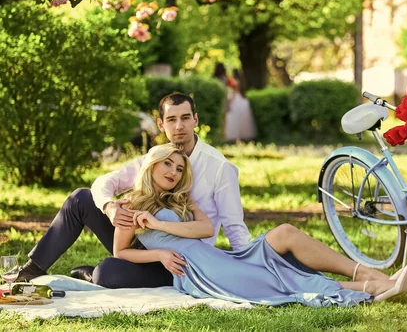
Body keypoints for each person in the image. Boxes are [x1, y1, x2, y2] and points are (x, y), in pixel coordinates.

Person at [115, 144, 407, 306]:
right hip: (200, 271)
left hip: (221, 257)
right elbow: (121, 251)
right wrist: (159, 254)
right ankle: (373, 287)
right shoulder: (130, 205)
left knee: (285, 232)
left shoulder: (182, 200)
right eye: (168, 164)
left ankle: (369, 275)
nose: (174, 172)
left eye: (179, 168)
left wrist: (157, 224)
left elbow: (205, 230)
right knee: (279, 281)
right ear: (152, 164)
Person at [12, 93, 251, 288]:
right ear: (161, 124)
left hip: (181, 258)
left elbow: (234, 227)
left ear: (196, 120)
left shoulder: (220, 167)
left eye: (186, 118)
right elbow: (105, 182)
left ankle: (93, 275)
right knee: (80, 199)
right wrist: (109, 207)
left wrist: (249, 269)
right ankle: (31, 270)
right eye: (171, 120)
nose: (179, 126)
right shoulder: (156, 157)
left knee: (107, 271)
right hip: (140, 243)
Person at [224, 69, 256, 142]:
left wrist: (230, 99)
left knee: (234, 117)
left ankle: (235, 135)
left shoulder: (234, 81)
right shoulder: (241, 81)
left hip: (235, 98)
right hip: (240, 98)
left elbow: (234, 92)